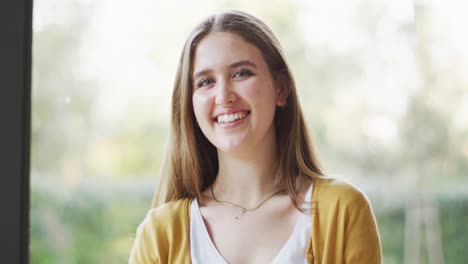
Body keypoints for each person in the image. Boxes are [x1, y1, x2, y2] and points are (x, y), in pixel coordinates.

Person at [129, 10, 381, 264]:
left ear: (281, 88)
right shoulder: (159, 234)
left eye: (241, 73)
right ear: (190, 104)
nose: (224, 96)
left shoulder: (343, 210)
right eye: (206, 82)